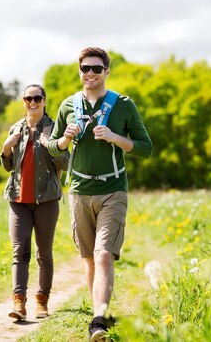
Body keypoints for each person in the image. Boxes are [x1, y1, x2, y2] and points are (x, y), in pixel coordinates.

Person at [47, 47, 152, 341]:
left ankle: (98, 322)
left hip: (113, 189)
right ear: (79, 71)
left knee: (104, 254)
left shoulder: (123, 105)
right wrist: (65, 139)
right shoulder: (68, 105)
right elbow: (52, 146)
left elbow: (146, 147)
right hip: (80, 190)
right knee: (90, 260)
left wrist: (115, 137)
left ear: (106, 71)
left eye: (96, 68)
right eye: (85, 69)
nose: (90, 74)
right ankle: (101, 312)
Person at [0, 84, 69, 321]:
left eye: (37, 97)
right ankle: (19, 303)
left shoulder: (54, 128)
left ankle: (42, 301)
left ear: (44, 100)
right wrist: (6, 148)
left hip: (46, 199)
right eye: (28, 98)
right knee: (19, 251)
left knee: (44, 253)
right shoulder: (15, 128)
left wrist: (52, 145)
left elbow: (67, 163)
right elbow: (9, 166)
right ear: (23, 101)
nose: (32, 102)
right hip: (18, 199)